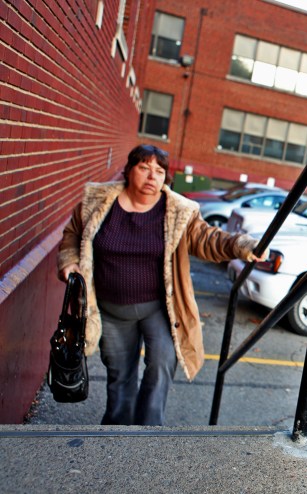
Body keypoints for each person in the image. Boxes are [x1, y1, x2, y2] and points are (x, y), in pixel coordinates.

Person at [57, 144, 266, 426]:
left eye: (159, 171)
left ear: (166, 177)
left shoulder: (178, 211)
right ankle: (116, 437)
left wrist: (242, 245)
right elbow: (73, 234)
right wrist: (69, 262)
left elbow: (208, 239)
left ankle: (149, 436)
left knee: (161, 367)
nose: (151, 177)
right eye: (144, 168)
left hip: (159, 309)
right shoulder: (97, 202)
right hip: (111, 310)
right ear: (129, 170)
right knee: (120, 377)